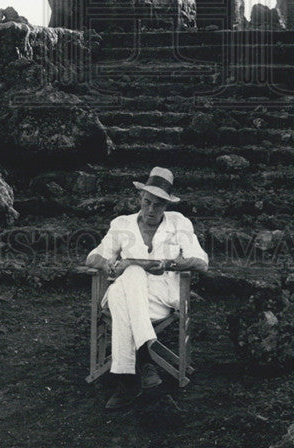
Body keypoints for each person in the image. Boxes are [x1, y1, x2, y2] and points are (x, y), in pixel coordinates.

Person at [86, 166, 209, 409]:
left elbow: (201, 262)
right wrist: (109, 263)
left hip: (161, 296)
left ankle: (127, 379)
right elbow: (93, 257)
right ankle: (144, 361)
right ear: (139, 199)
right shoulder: (122, 224)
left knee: (128, 278)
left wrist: (163, 263)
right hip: (127, 290)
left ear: (167, 205)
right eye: (147, 202)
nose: (152, 210)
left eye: (159, 205)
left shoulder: (178, 223)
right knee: (130, 276)